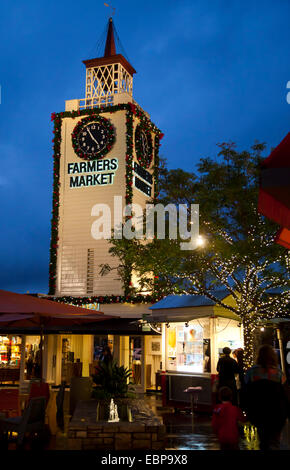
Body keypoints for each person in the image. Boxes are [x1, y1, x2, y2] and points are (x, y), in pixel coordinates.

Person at [244, 344, 289, 451]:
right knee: (274, 442)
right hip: (277, 413)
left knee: (263, 440)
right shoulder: (279, 374)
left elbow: (245, 391)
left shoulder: (251, 373)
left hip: (259, 412)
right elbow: (285, 394)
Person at [212, 386, 245, 450]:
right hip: (233, 437)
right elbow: (243, 419)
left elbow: (214, 424)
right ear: (231, 397)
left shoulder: (217, 409)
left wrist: (217, 433)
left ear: (219, 397)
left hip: (222, 437)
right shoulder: (235, 409)